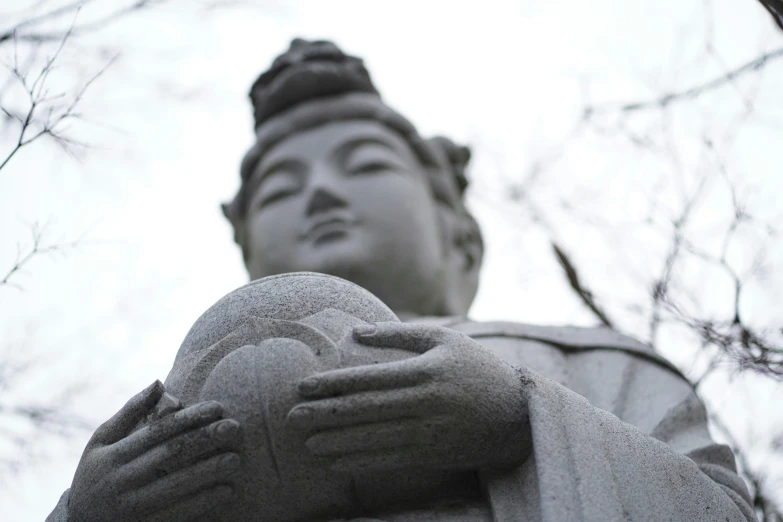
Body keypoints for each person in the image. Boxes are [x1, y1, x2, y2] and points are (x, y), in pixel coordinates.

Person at [49, 39, 756, 521]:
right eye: (281, 190)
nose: (321, 196)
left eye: (364, 165)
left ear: (457, 230)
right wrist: (89, 510)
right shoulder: (165, 415)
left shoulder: (590, 364)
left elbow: (717, 508)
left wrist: (522, 422)